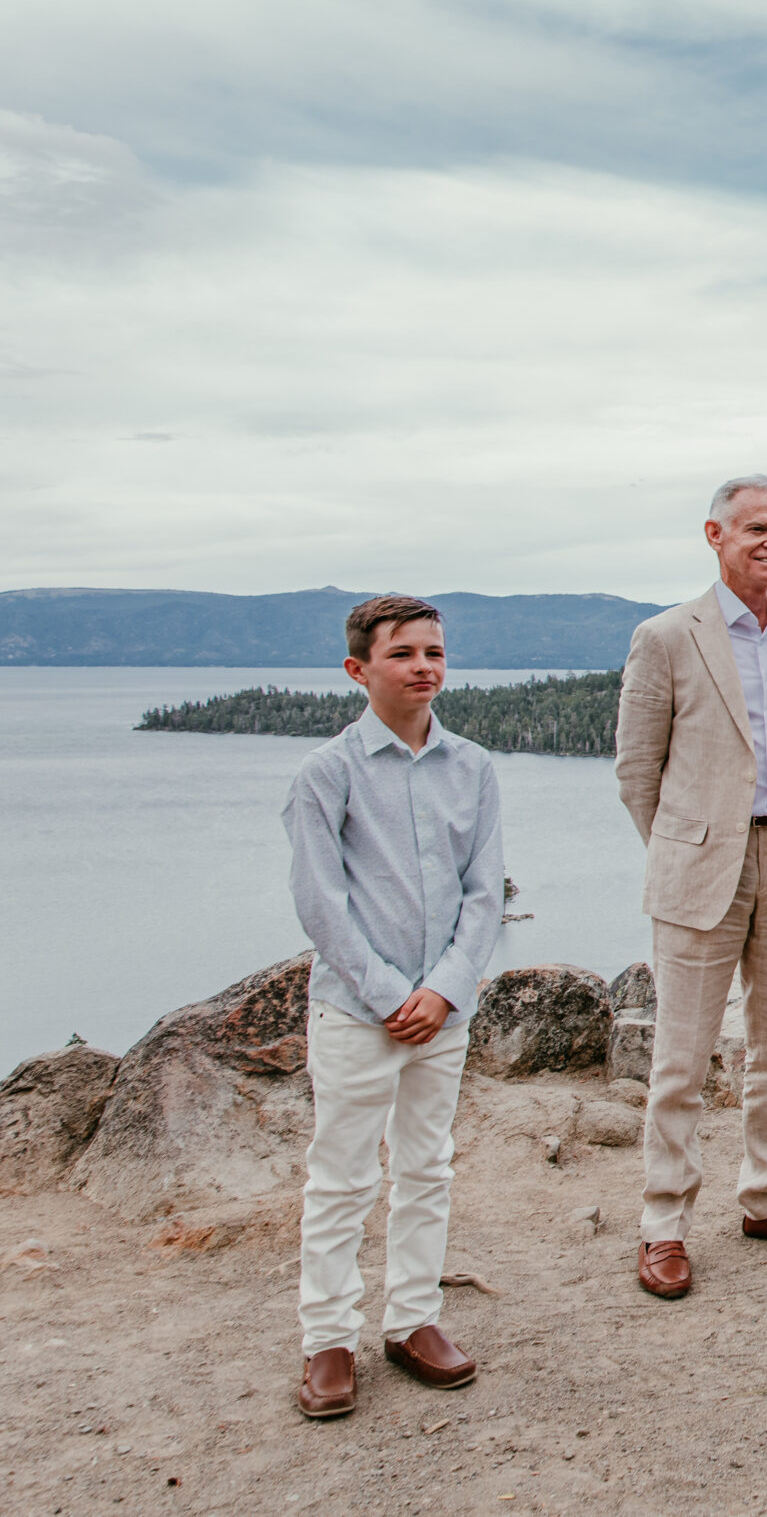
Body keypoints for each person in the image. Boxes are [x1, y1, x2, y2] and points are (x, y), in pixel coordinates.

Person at [615, 475, 767, 1301]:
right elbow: (637, 769)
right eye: (755, 528)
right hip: (702, 868)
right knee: (681, 1059)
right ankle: (664, 1223)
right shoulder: (668, 635)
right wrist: (689, 844)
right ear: (715, 535)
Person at [285, 595, 502, 1418]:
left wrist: (444, 988)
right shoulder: (325, 774)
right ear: (359, 668)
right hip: (356, 1012)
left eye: (435, 652)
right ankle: (327, 1339)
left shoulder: (473, 767)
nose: (424, 666)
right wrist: (387, 997)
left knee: (427, 1166)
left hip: (441, 1011)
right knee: (340, 1177)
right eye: (404, 653)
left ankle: (412, 1318)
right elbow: (320, 903)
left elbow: (485, 894)